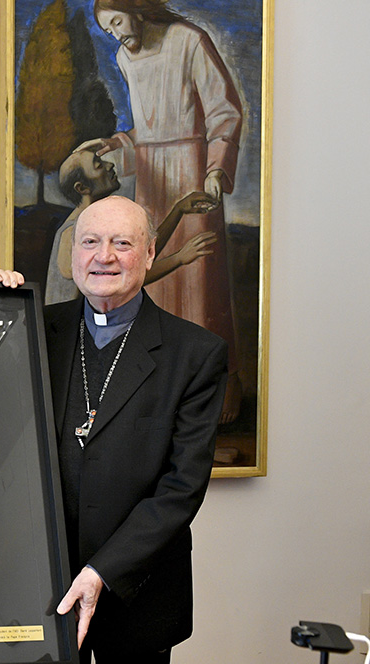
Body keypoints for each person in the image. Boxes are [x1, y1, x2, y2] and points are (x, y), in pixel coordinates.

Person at [0, 195, 227, 664]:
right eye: (91, 242)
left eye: (123, 243)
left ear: (150, 254)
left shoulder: (196, 354)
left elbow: (181, 489)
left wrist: (101, 573)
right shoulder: (33, 329)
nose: (105, 257)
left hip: (139, 592)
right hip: (49, 590)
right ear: (73, 253)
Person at [75, 0, 243, 424]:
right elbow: (146, 134)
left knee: (197, 285)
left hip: (191, 177)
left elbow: (225, 112)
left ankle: (210, 406)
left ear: (135, 10)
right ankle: (153, 401)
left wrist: (215, 169)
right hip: (152, 182)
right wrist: (115, 145)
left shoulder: (189, 41)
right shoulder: (124, 58)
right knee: (151, 283)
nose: (115, 33)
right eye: (107, 28)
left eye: (116, 22)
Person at [47, 149, 218, 305]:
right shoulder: (72, 232)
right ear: (82, 188)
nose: (109, 165)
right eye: (98, 165)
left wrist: (178, 210)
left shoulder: (98, 224)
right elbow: (121, 279)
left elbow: (142, 255)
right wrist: (178, 258)